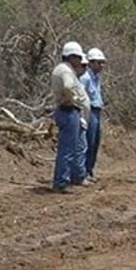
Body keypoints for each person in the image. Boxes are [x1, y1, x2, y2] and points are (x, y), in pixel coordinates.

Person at [50, 41, 90, 192]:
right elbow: (67, 86)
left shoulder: (59, 69)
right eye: (78, 57)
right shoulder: (66, 71)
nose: (80, 61)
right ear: (71, 56)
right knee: (68, 149)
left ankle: (63, 180)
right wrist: (75, 99)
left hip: (63, 110)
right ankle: (62, 182)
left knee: (66, 148)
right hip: (68, 110)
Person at [81, 47, 107, 183]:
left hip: (97, 112)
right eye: (99, 62)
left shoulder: (96, 78)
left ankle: (89, 171)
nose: (102, 65)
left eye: (103, 62)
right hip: (89, 111)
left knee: (95, 142)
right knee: (88, 142)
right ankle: (83, 172)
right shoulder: (85, 78)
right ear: (91, 62)